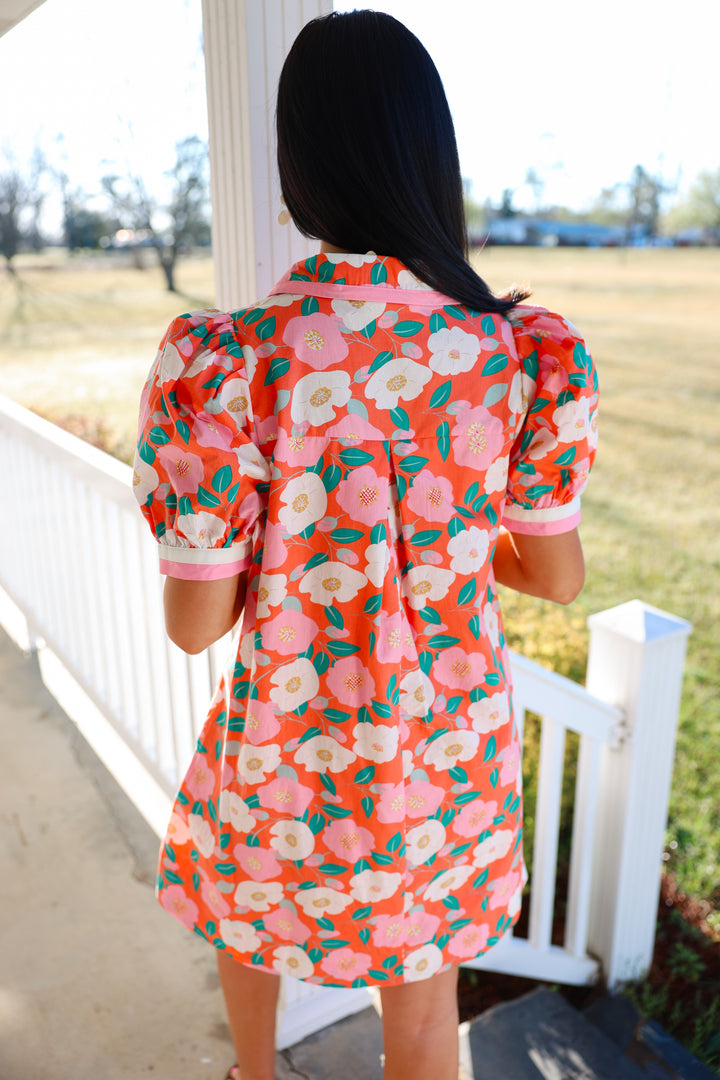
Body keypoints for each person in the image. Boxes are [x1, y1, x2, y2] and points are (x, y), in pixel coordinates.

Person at [133, 10, 597, 1080]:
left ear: (295, 180)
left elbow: (197, 626)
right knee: (427, 1030)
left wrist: (283, 544)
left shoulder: (226, 364)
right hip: (441, 751)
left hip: (289, 747)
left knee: (250, 922)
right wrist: (431, 545)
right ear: (434, 166)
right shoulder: (521, 356)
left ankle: (254, 1073)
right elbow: (557, 578)